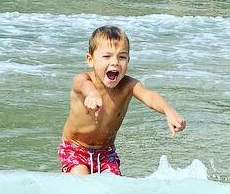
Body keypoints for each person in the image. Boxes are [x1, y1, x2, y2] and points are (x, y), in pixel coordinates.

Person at [59, 25, 186, 175]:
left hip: (106, 153)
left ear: (128, 60)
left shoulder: (128, 85)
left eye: (122, 57)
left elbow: (149, 96)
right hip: (75, 147)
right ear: (90, 59)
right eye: (107, 56)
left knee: (114, 187)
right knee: (82, 180)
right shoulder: (83, 79)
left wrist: (168, 111)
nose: (115, 62)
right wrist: (92, 94)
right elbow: (83, 85)